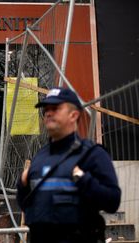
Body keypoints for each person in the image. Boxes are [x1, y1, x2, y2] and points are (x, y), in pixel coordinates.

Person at [16, 87, 121, 243]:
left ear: (74, 115)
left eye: (55, 108)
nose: (48, 113)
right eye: (46, 110)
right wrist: (22, 186)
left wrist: (84, 180)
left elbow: (113, 202)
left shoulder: (93, 155)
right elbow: (27, 206)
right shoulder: (39, 158)